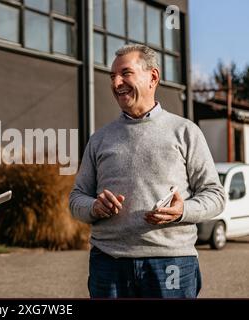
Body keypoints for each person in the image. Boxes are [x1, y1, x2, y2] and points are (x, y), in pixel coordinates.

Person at [69, 44, 225, 298]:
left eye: (125, 73)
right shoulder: (99, 139)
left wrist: (182, 210)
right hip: (108, 263)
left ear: (153, 77)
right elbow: (76, 198)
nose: (117, 82)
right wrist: (94, 207)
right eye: (112, 76)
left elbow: (215, 196)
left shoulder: (186, 132)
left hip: (172, 262)